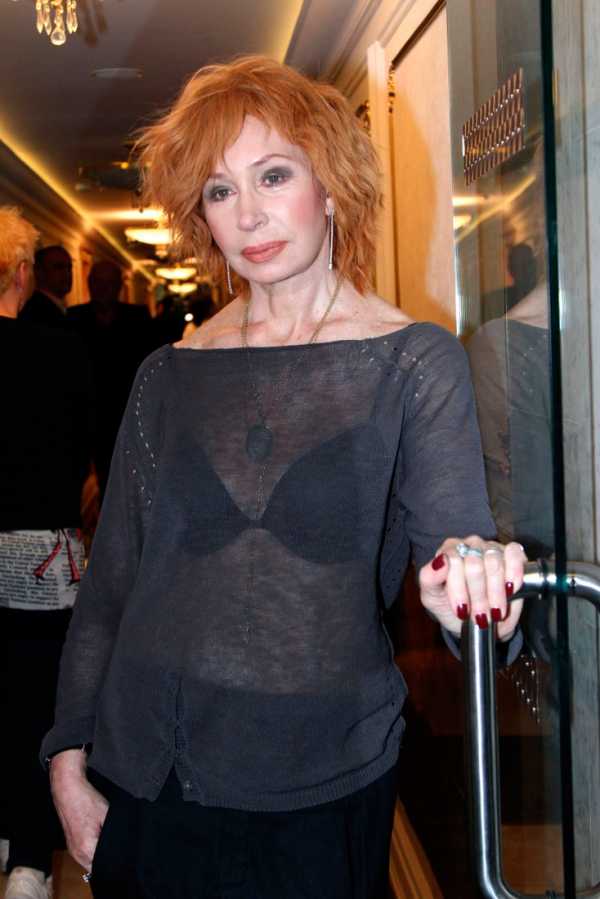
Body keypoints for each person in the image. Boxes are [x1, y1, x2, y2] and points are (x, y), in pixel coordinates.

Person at [43, 57, 525, 899]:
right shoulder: (167, 373)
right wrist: (66, 755)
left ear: (330, 184)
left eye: (273, 175)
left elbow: (459, 550)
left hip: (321, 781)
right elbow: (112, 584)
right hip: (150, 768)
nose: (248, 214)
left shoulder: (413, 363)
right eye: (220, 190)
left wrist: (477, 595)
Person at [0, 208, 91, 899]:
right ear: (24, 273)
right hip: (41, 557)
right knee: (37, 705)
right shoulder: (62, 353)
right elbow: (86, 454)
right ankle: (29, 865)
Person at [67, 260, 151, 497]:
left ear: (118, 286)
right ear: (89, 284)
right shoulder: (73, 318)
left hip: (128, 409)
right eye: (97, 282)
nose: (103, 288)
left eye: (109, 283)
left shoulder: (138, 318)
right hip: (88, 413)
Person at [18, 245, 73, 328]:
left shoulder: (61, 308)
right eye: (58, 267)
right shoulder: (35, 311)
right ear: (39, 272)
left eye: (69, 268)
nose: (67, 274)